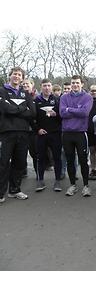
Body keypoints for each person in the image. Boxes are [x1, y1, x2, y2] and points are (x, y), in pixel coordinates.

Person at [0, 67, 36, 202]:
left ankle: (15, 190)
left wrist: (13, 109)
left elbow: (32, 113)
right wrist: (22, 109)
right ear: (10, 76)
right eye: (14, 74)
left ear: (22, 78)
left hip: (23, 132)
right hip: (6, 132)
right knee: (3, 163)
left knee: (19, 163)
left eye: (19, 75)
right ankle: (0, 192)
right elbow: (5, 109)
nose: (16, 76)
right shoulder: (2, 91)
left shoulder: (25, 94)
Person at [59, 75, 93, 197]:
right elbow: (62, 113)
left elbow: (85, 112)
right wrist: (74, 110)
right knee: (69, 160)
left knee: (83, 159)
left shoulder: (87, 97)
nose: (75, 85)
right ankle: (72, 185)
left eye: (77, 83)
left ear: (82, 84)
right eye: (73, 83)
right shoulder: (64, 97)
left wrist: (69, 109)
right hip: (67, 133)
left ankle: (86, 186)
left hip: (80, 132)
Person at [33, 78, 63, 192]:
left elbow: (63, 116)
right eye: (44, 86)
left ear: (51, 87)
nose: (47, 88)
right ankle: (40, 181)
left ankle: (57, 181)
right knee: (40, 158)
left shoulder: (57, 100)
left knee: (57, 157)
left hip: (55, 134)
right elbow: (32, 118)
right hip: (41, 134)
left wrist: (57, 114)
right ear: (40, 87)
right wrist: (37, 130)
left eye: (49, 86)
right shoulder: (36, 101)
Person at [22, 77, 39, 178]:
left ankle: (38, 174)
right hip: (22, 128)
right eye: (23, 84)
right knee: (21, 153)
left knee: (35, 153)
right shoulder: (20, 96)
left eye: (27, 84)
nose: (25, 86)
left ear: (32, 85)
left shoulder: (37, 98)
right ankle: (23, 171)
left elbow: (35, 113)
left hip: (33, 129)